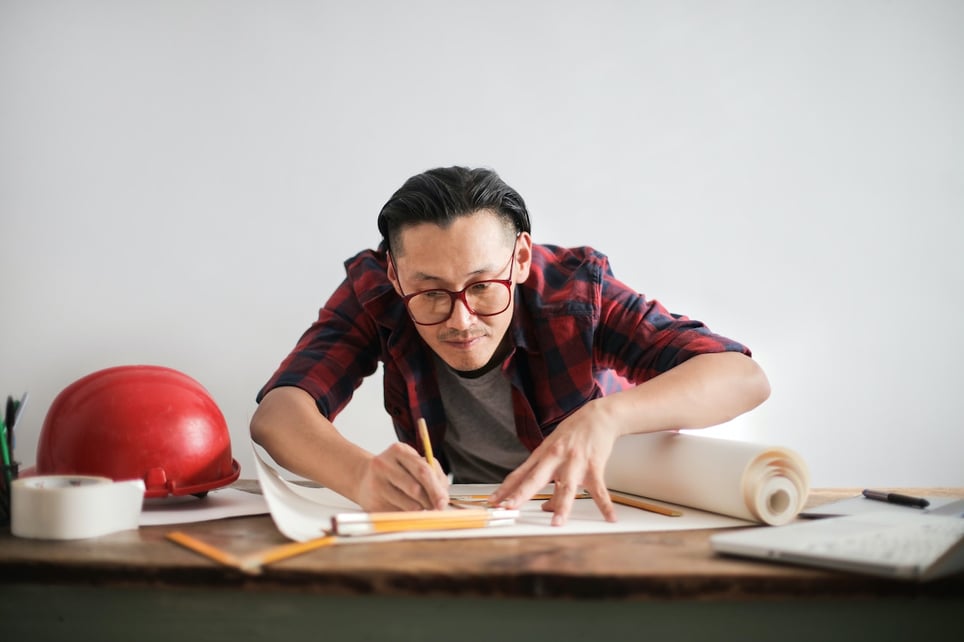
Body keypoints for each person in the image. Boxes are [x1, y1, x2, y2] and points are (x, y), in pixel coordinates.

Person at [250, 166, 770, 526]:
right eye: (431, 292)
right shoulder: (377, 293)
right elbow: (279, 415)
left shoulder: (572, 293)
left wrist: (606, 417)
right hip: (463, 519)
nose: (461, 320)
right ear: (395, 272)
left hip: (586, 513)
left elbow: (742, 377)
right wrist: (360, 475)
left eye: (482, 286)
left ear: (521, 258)